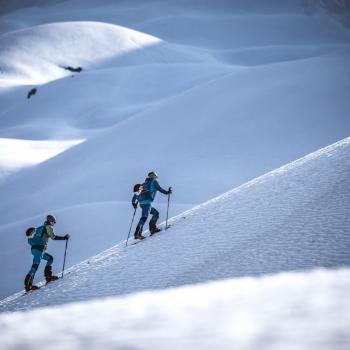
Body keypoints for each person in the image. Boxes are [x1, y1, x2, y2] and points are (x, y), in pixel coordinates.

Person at [24, 215, 69, 292]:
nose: (53, 224)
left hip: (35, 249)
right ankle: (28, 285)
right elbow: (53, 237)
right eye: (53, 222)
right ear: (50, 221)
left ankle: (48, 277)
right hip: (40, 249)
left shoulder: (39, 228)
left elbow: (30, 238)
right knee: (35, 266)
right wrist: (64, 238)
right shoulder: (48, 227)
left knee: (50, 258)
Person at [132, 171, 172, 240]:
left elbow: (135, 195)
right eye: (156, 177)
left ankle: (151, 229)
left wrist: (134, 203)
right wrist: (167, 192)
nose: (156, 178)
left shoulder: (143, 184)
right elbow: (160, 189)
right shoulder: (154, 182)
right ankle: (138, 234)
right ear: (154, 176)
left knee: (155, 213)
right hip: (147, 204)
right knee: (144, 218)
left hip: (142, 204)